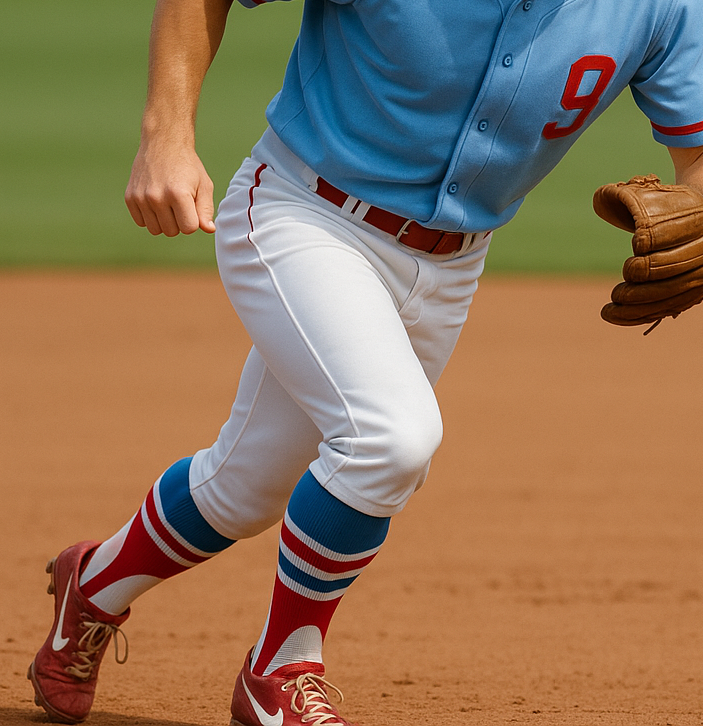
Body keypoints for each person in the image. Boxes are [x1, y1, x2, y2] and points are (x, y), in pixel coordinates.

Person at [28, 1, 703, 725]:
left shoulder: (660, 7)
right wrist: (166, 135)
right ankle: (279, 669)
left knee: (244, 485)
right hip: (301, 213)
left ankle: (91, 585)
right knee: (390, 437)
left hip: (452, 266)